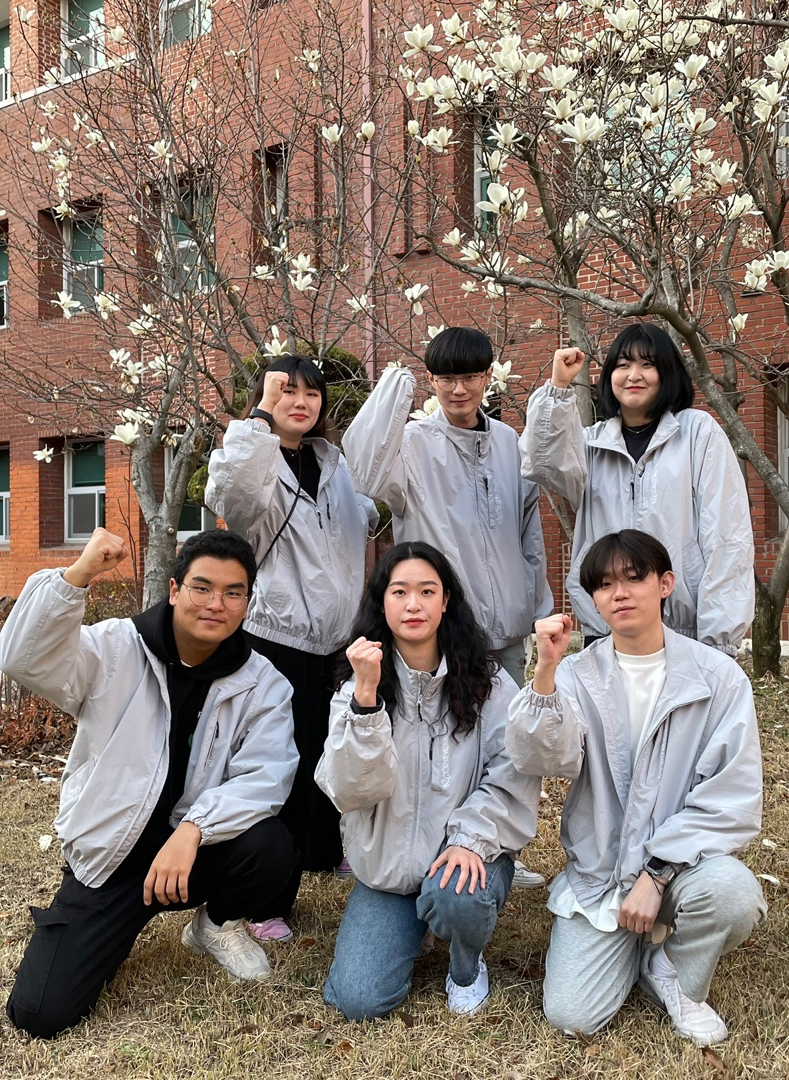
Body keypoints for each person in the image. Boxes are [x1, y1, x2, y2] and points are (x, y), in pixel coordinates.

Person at [0, 528, 299, 1039]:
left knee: (272, 845)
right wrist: (77, 576)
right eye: (202, 587)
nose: (216, 604)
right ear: (175, 589)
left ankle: (215, 925)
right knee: (40, 1014)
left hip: (194, 852)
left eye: (233, 593)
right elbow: (24, 661)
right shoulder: (116, 648)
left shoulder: (262, 682)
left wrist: (194, 830)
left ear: (248, 602)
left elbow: (266, 777)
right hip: (115, 854)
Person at [507, 529, 765, 1045]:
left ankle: (672, 969)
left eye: (633, 578)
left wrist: (657, 872)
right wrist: (546, 672)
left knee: (733, 895)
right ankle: (633, 945)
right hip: (602, 875)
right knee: (571, 1016)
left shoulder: (717, 679)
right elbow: (541, 759)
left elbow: (731, 798)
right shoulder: (577, 674)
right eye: (604, 585)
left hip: (682, 868)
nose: (619, 594)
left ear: (665, 584)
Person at [344, 328, 552, 889]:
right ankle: (428, 849)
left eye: (470, 376)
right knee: (444, 744)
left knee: (504, 747)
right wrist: (395, 389)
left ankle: (494, 848)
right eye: (446, 378)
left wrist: (534, 606)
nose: (459, 389)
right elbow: (362, 470)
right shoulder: (412, 443)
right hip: (442, 629)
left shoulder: (509, 443)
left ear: (488, 377)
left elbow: (529, 534)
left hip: (506, 630)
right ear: (432, 381)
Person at [317, 542, 540, 1019]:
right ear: (382, 602)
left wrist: (468, 841)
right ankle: (413, 921)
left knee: (456, 896)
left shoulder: (488, 683)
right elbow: (349, 790)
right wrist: (366, 700)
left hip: (466, 858)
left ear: (446, 601)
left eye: (426, 591)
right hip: (390, 873)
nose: (413, 604)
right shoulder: (357, 687)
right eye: (399, 592)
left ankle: (465, 966)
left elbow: (512, 773)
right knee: (359, 999)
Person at [205, 355, 379, 943]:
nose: (299, 402)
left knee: (330, 746)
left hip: (336, 635)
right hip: (277, 636)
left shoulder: (333, 463)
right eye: (285, 391)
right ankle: (266, 899)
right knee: (282, 760)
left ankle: (324, 849)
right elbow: (231, 498)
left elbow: (361, 517)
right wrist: (257, 420)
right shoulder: (253, 458)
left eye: (310, 392)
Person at [520, 324, 754, 653]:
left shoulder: (697, 433)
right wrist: (558, 388)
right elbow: (541, 461)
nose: (634, 375)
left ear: (667, 373)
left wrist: (719, 641)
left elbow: (726, 539)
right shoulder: (591, 444)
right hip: (606, 628)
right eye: (623, 365)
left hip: (683, 631)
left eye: (648, 364)